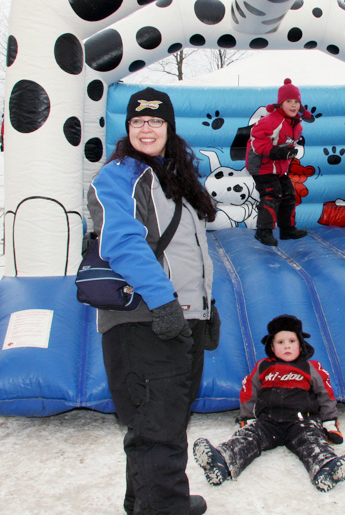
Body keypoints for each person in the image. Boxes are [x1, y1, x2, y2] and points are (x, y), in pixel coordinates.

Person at [87, 87, 220, 515]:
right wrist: (164, 302)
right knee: (157, 423)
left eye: (156, 121)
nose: (147, 129)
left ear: (169, 128)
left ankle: (154, 501)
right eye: (138, 122)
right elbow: (123, 242)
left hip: (182, 315)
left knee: (163, 419)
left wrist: (204, 307)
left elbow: (189, 251)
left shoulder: (177, 178)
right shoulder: (119, 175)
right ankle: (163, 506)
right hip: (144, 317)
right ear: (127, 129)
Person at [192, 314, 345, 492]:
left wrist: (329, 423)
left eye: (292, 341)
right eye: (280, 342)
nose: (286, 345)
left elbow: (325, 394)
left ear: (301, 344)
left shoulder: (310, 367)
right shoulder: (263, 366)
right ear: (271, 346)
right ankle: (221, 462)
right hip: (268, 421)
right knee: (247, 439)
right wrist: (247, 418)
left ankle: (326, 468)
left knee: (312, 442)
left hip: (302, 421)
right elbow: (250, 390)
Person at [246, 78, 311, 247]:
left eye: (296, 101)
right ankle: (263, 231)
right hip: (261, 165)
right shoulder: (270, 121)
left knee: (289, 193)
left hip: (278, 167)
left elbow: (286, 145)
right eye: (288, 101)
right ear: (280, 103)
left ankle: (287, 229)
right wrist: (275, 151)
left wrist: (289, 152)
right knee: (272, 193)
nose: (293, 105)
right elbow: (256, 141)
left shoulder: (297, 126)